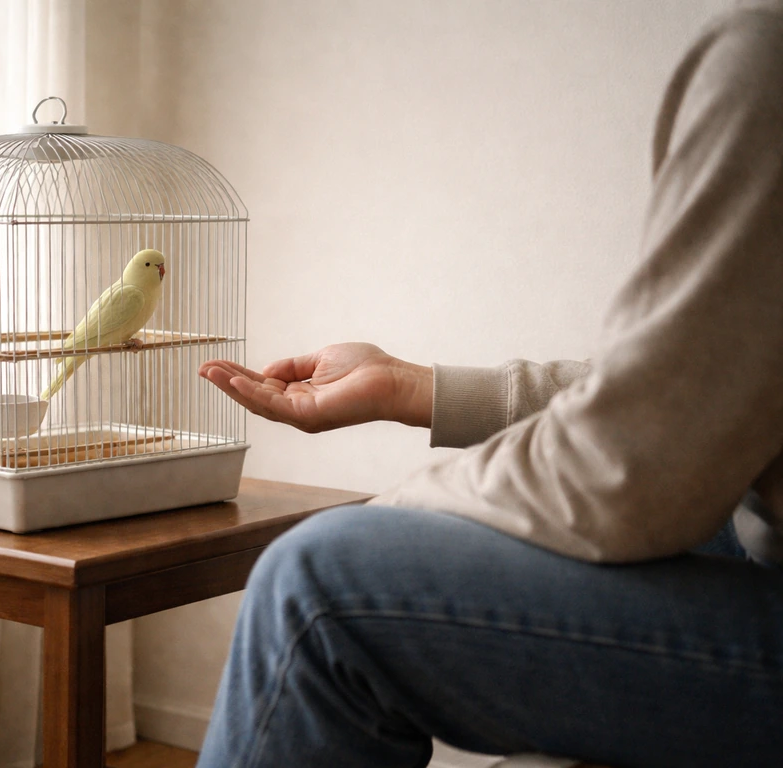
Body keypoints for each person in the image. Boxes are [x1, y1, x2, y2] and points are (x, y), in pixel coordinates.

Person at [193, 2, 783, 767]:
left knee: (314, 584)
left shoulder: (764, 55)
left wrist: (399, 512)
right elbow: (706, 387)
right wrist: (409, 387)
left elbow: (631, 472)